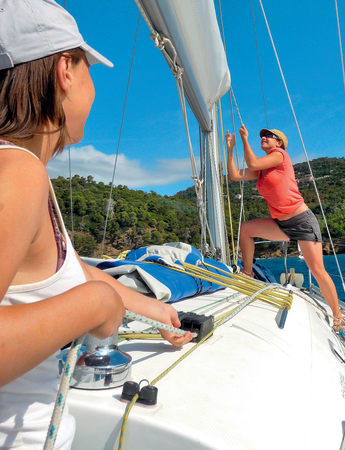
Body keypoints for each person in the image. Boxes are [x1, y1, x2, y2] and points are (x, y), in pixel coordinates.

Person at [0, 1, 192, 448]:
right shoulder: (18, 174)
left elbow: (53, 270)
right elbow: (86, 295)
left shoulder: (23, 173)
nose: (92, 87)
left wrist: (146, 306)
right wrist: (93, 305)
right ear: (65, 69)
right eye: (89, 69)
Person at [226, 124, 345, 329]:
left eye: (269, 136)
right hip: (281, 223)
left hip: (302, 221)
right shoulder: (262, 170)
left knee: (317, 269)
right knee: (246, 229)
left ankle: (338, 316)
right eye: (262, 136)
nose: (263, 137)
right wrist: (230, 149)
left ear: (279, 142)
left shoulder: (280, 155)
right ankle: (247, 273)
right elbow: (234, 176)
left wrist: (245, 139)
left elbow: (252, 161)